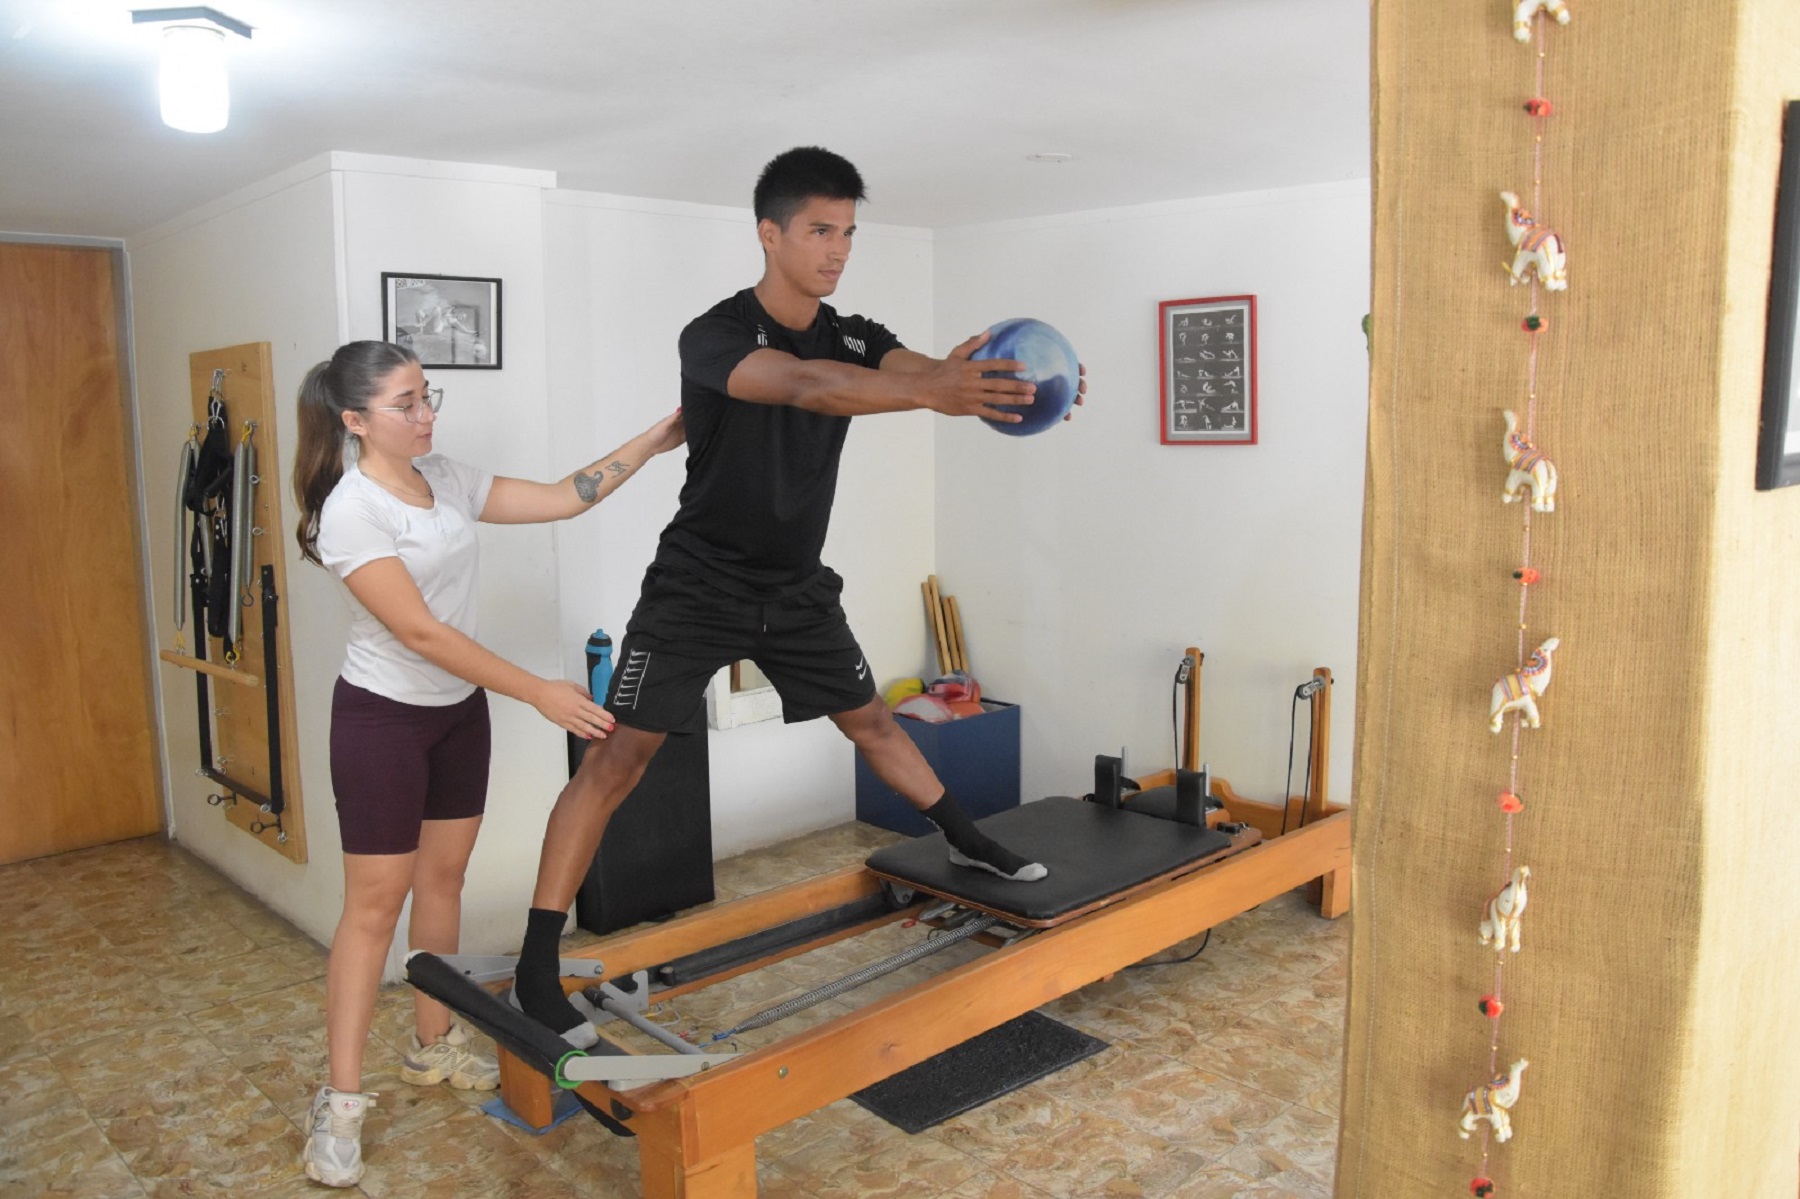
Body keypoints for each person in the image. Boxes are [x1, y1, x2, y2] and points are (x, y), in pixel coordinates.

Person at [511, 145, 1086, 1046]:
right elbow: (809, 388)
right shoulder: (714, 336)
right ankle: (536, 963)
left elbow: (913, 368)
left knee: (875, 722)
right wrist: (933, 392)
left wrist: (1002, 387)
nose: (838, 250)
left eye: (848, 233)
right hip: (696, 585)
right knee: (617, 760)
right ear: (769, 233)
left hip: (796, 589)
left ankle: (969, 840)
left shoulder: (854, 333)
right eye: (820, 230)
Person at [289, 340, 683, 1187]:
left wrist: (652, 441)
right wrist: (537, 690)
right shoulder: (351, 511)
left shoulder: (445, 478)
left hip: (456, 715)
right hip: (383, 721)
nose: (424, 414)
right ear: (355, 420)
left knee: (443, 882)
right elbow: (420, 633)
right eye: (404, 404)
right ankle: (340, 1100)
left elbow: (560, 498)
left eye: (426, 395)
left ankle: (431, 1044)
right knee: (374, 906)